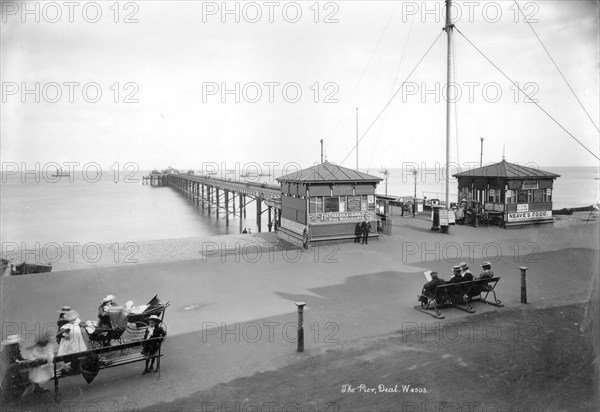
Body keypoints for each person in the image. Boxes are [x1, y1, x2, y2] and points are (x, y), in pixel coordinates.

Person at [0, 335, 28, 404]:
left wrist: (27, 361)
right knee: (8, 383)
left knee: (24, 378)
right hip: (5, 371)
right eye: (15, 344)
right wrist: (18, 364)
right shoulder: (4, 352)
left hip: (12, 369)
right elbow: (5, 367)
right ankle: (7, 399)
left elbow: (20, 358)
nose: (17, 345)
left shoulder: (16, 348)